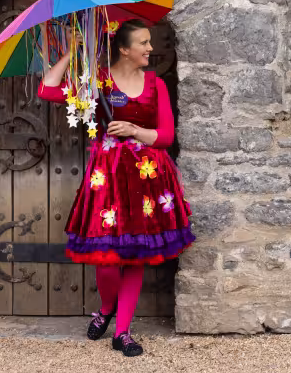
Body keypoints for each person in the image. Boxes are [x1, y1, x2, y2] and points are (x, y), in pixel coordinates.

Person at [38, 19, 193, 357]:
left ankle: (122, 331)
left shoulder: (155, 84)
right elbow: (48, 88)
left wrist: (135, 130)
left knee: (135, 256)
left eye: (149, 42)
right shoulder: (99, 81)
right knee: (107, 257)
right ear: (124, 49)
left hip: (147, 178)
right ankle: (106, 308)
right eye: (143, 43)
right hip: (107, 179)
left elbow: (166, 136)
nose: (150, 48)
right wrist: (73, 51)